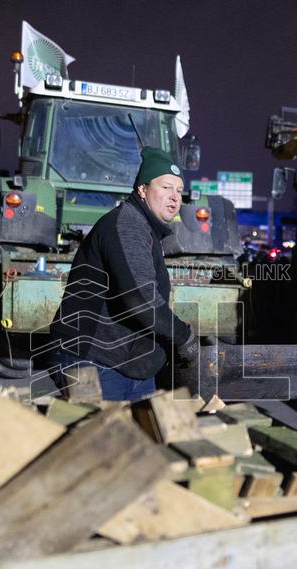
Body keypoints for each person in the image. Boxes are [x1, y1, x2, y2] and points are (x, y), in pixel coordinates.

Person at [47, 146, 199, 401]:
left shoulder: (145, 229)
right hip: (92, 361)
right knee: (103, 437)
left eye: (179, 190)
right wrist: (185, 337)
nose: (174, 197)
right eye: (165, 187)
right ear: (142, 189)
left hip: (127, 365)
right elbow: (140, 298)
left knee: (141, 436)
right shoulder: (127, 225)